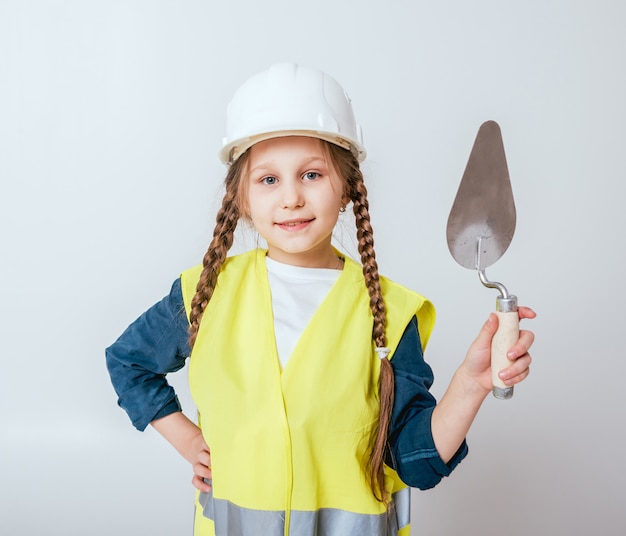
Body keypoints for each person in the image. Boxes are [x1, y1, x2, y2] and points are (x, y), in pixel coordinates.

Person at [106, 62, 535, 536]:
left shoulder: (390, 313)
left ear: (348, 187)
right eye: (268, 180)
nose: (290, 198)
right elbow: (129, 362)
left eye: (311, 174)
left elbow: (416, 462)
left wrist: (470, 385)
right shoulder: (204, 294)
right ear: (242, 199)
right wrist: (187, 439)